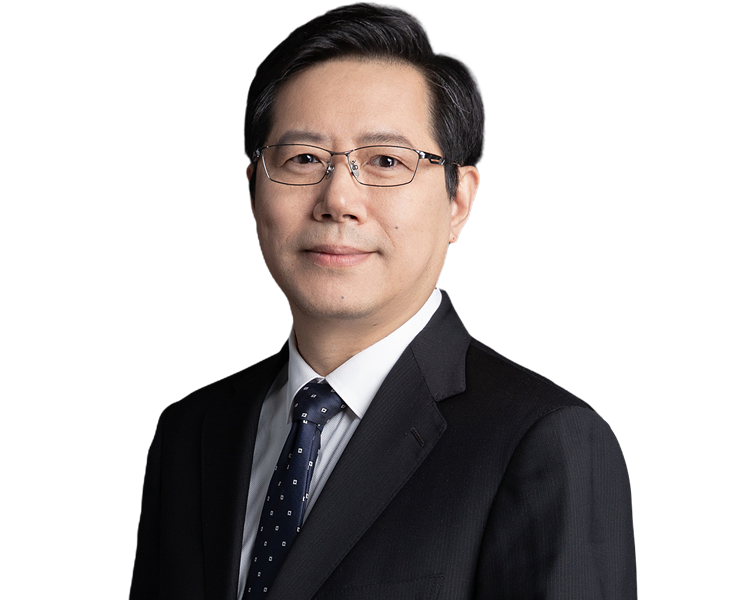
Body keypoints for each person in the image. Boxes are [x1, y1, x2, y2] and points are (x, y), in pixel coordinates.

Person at [130, 4, 635, 599]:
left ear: (458, 202)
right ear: (253, 192)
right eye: (303, 159)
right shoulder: (191, 432)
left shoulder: (543, 441)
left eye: (387, 161)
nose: (338, 200)